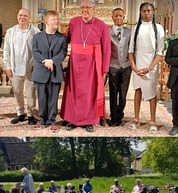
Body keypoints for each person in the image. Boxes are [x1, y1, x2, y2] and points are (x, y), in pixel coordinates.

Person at [62, 0, 111, 132]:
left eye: (88, 8)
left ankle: (88, 121)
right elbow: (66, 39)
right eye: (82, 7)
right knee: (74, 91)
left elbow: (107, 49)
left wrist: (104, 69)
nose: (85, 10)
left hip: (92, 64)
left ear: (93, 9)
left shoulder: (102, 26)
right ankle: (72, 119)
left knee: (89, 92)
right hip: (75, 62)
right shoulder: (73, 22)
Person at [128, 2, 165, 131]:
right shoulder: (135, 28)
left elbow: (160, 52)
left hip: (151, 65)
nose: (146, 13)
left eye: (149, 10)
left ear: (153, 12)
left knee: (152, 93)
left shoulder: (159, 28)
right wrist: (134, 67)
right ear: (140, 12)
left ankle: (152, 120)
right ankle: (136, 119)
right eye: (144, 11)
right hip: (138, 64)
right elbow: (131, 50)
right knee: (137, 91)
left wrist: (149, 68)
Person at [30, 10, 67, 132]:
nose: (57, 21)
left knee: (53, 98)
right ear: (46, 22)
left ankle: (51, 121)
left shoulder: (62, 38)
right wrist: (45, 61)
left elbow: (63, 52)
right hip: (41, 71)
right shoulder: (37, 37)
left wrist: (52, 61)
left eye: (57, 19)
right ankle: (42, 120)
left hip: (55, 72)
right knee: (41, 98)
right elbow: (35, 52)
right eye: (54, 19)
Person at [3, 8, 40, 126]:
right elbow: (6, 51)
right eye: (20, 15)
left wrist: (37, 65)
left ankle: (30, 114)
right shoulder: (10, 32)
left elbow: (40, 50)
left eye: (25, 16)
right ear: (17, 16)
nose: (22, 17)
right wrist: (7, 66)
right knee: (17, 92)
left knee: (30, 93)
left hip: (30, 68)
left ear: (29, 18)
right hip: (15, 68)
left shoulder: (36, 32)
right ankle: (20, 113)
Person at [107, 8, 131, 127]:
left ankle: (120, 116)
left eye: (120, 16)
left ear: (123, 17)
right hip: (113, 66)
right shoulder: (107, 32)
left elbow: (132, 49)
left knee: (123, 93)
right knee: (113, 92)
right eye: (115, 16)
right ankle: (113, 117)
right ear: (112, 17)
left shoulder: (129, 32)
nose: (118, 18)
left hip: (126, 66)